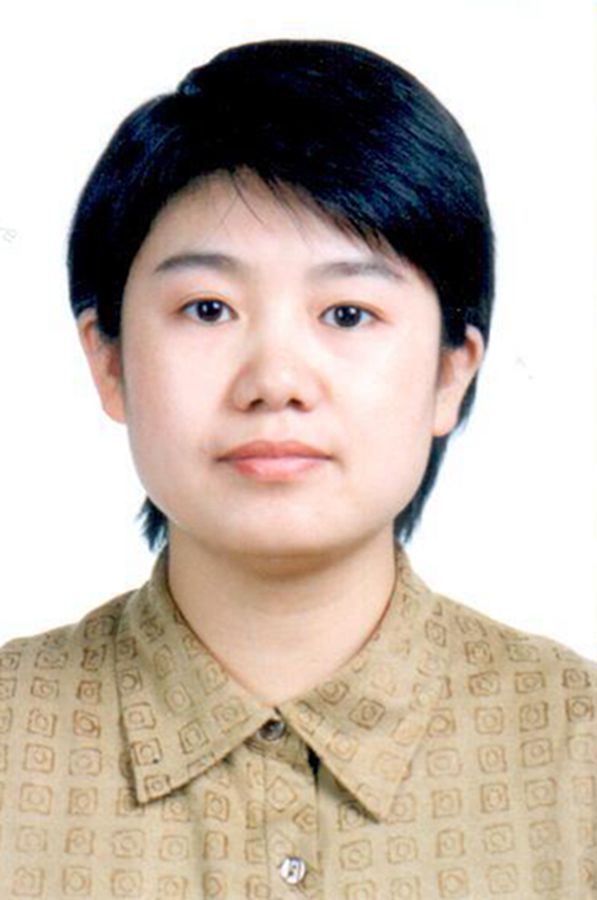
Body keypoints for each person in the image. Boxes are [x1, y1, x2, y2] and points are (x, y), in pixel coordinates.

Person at [0, 38, 594, 899]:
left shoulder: (575, 754)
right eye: (208, 309)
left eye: (346, 313)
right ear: (109, 360)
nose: (275, 380)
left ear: (449, 373)